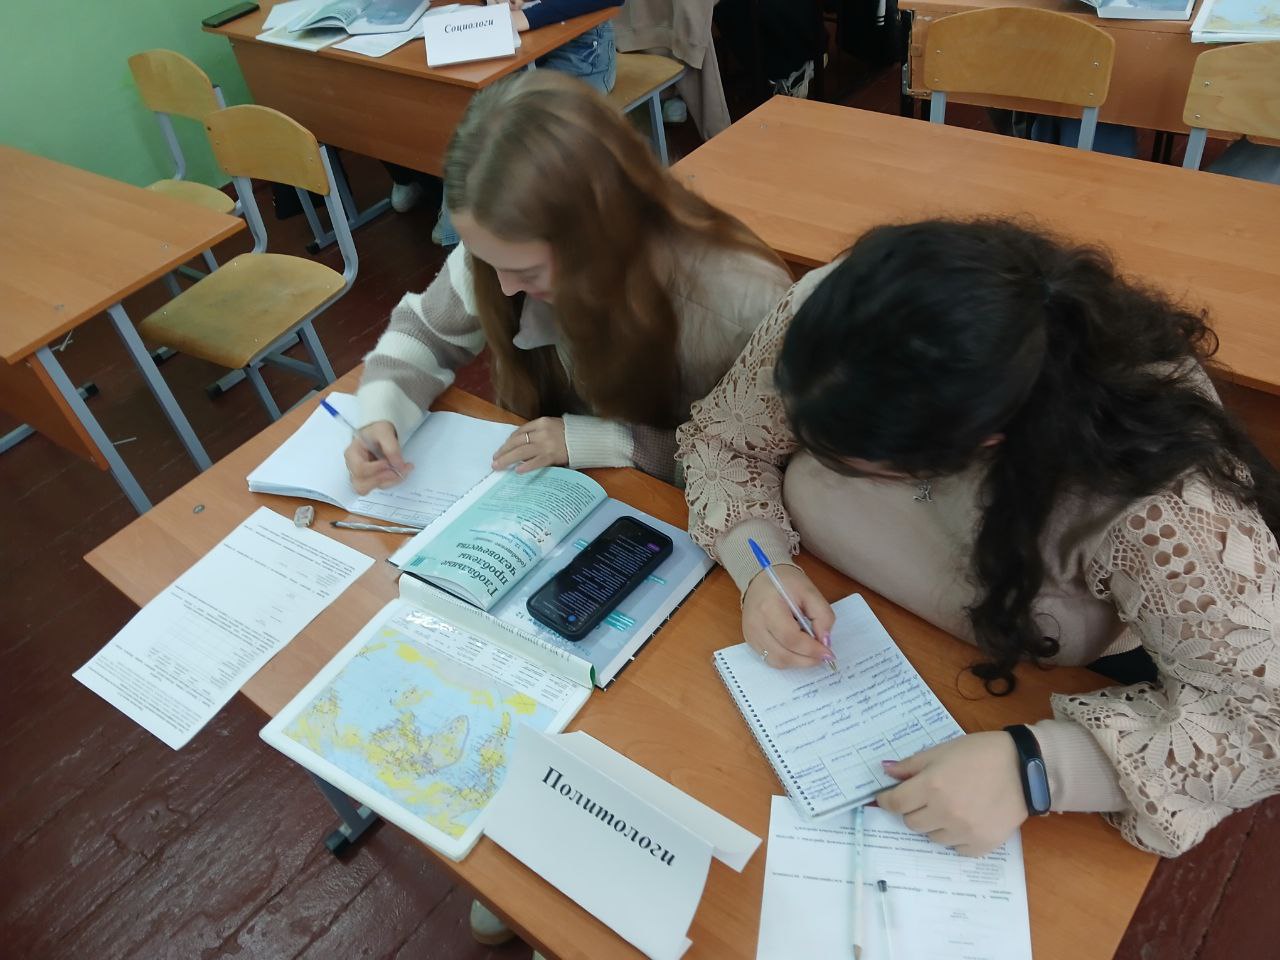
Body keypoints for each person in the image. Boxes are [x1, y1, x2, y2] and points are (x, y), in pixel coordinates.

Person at [676, 217, 1280, 859]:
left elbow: (1263, 722)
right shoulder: (842, 320)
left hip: (1021, 692)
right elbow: (725, 439)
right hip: (870, 634)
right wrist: (762, 566)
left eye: (857, 465)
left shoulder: (1159, 497)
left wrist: (1036, 768)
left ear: (978, 447)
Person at [347, 69, 790, 499]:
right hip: (560, 496)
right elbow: (426, 331)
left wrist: (602, 441)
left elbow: (755, 462)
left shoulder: (738, 303)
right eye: (486, 260)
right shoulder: (503, 247)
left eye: (528, 272)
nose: (505, 288)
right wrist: (382, 412)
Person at [388, 0, 624, 245]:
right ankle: (466, 232)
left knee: (511, 125)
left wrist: (528, 17)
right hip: (517, 42)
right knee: (470, 110)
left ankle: (469, 235)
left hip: (581, 51)